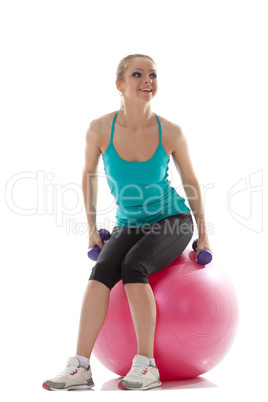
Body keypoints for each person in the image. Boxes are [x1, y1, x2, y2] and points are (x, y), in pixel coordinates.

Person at [42, 54, 212, 391]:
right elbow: (88, 177)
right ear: (120, 85)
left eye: (153, 74)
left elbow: (190, 183)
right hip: (129, 223)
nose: (147, 80)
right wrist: (91, 229)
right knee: (101, 272)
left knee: (134, 266)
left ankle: (146, 365)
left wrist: (204, 234)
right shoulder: (99, 129)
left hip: (172, 220)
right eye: (138, 74)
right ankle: (80, 366)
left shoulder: (172, 132)